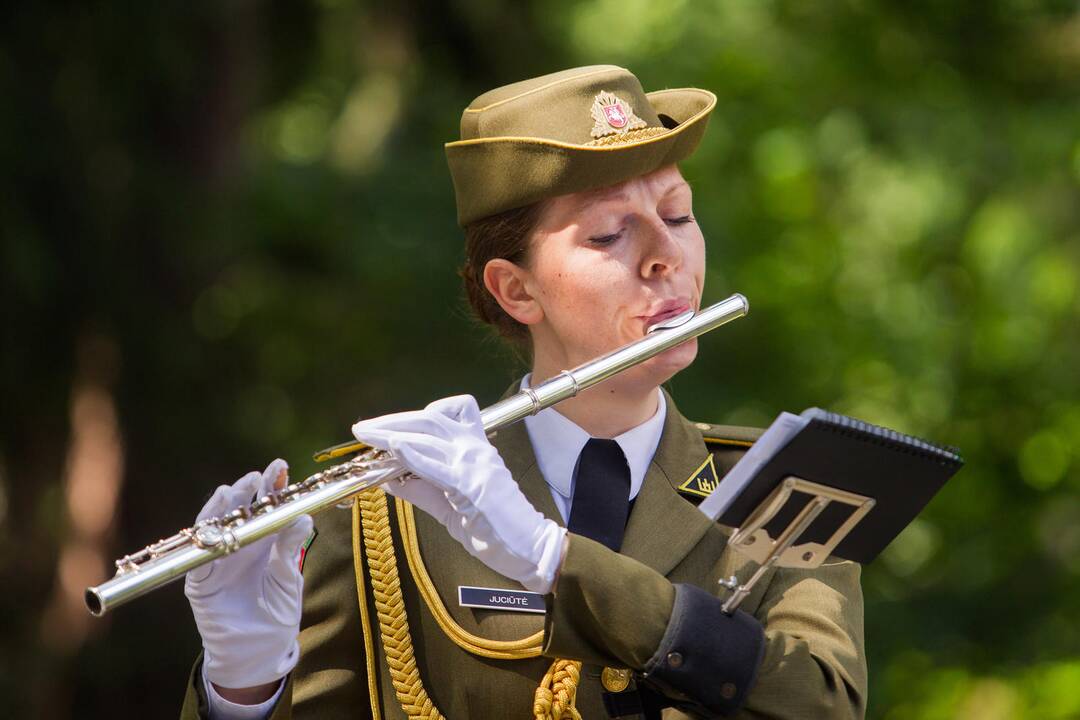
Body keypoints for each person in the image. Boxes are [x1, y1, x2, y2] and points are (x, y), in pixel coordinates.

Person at [180, 65, 867, 720]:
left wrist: (552, 557)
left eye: (679, 213)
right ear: (516, 288)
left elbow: (824, 702)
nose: (667, 254)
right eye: (609, 231)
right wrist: (244, 687)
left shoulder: (792, 490)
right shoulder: (378, 516)